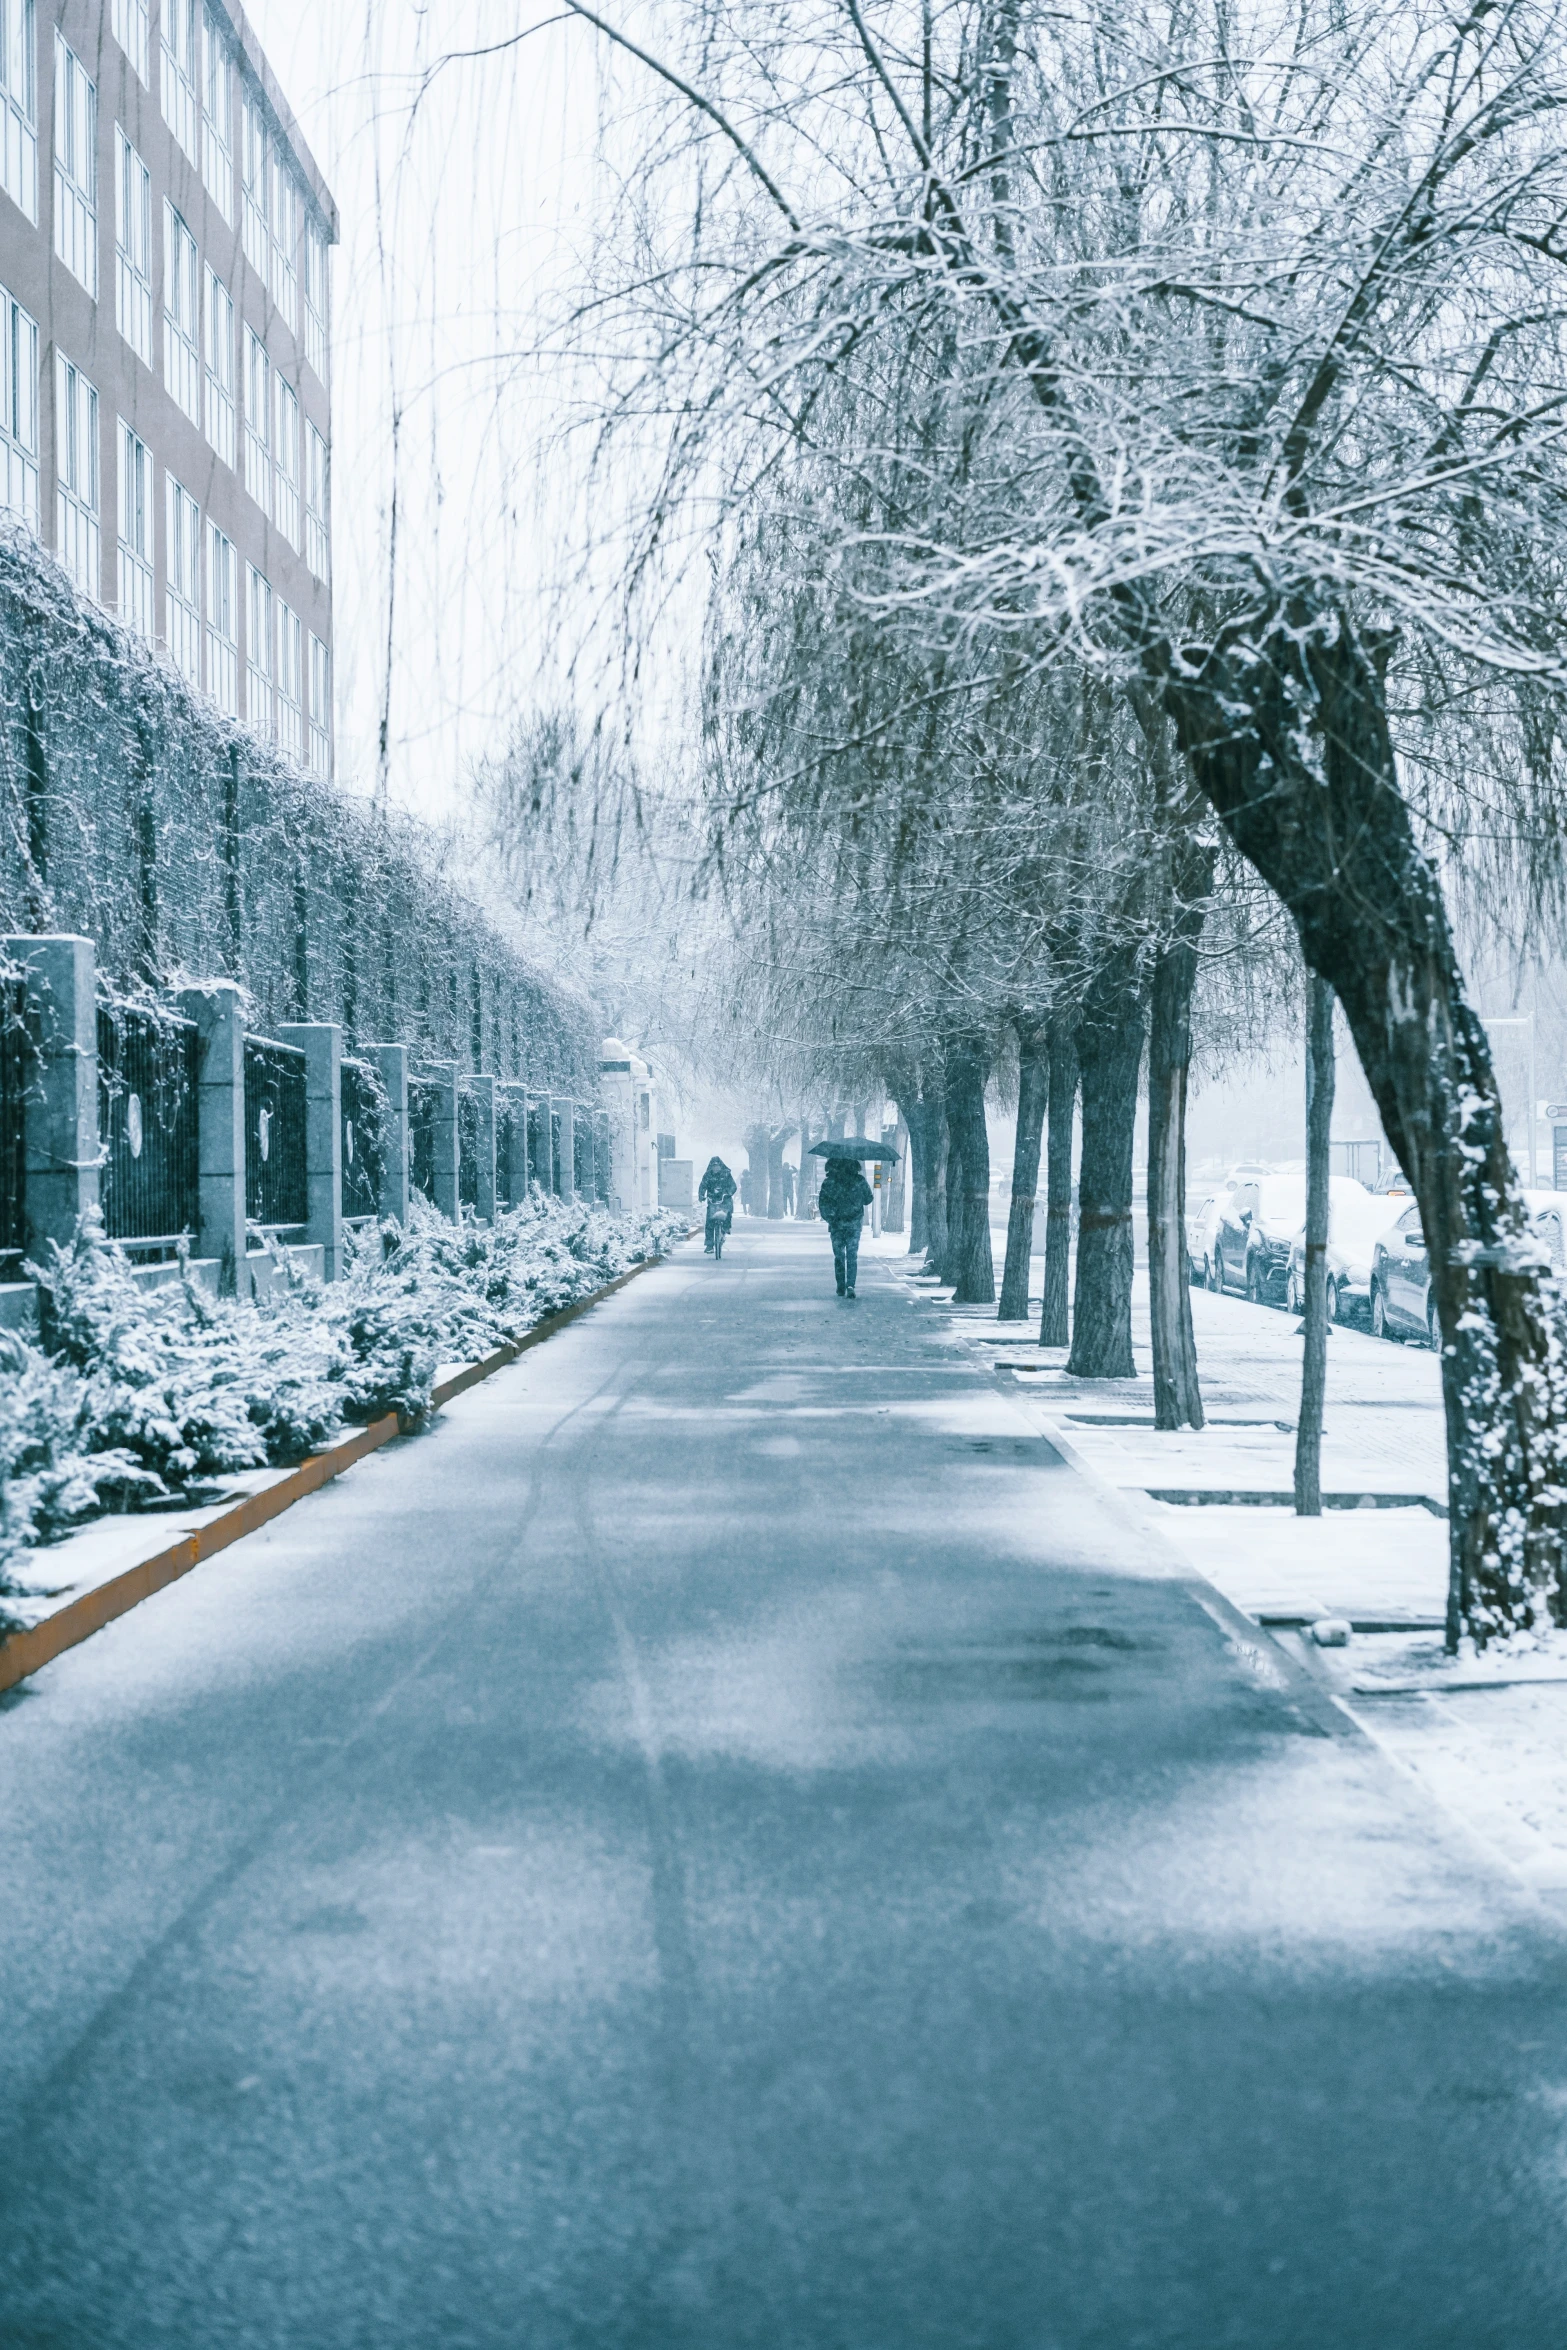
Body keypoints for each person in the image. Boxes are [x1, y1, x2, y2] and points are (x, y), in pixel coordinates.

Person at [817, 1153, 874, 1297]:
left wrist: (830, 1218)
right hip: (854, 1224)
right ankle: (850, 1285)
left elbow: (822, 1204)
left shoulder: (829, 1182)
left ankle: (840, 1285)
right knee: (852, 1255)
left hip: (836, 1225)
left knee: (839, 1256)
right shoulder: (859, 1181)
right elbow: (868, 1199)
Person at [698, 1156, 737, 1253]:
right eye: (713, 1166)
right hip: (712, 1200)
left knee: (728, 1213)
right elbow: (703, 1186)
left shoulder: (726, 1174)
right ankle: (709, 1245)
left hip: (725, 1199)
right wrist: (701, 1195)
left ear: (720, 1166)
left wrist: (728, 1193)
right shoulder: (707, 1175)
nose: (715, 1168)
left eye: (717, 1166)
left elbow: (733, 1186)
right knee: (709, 1222)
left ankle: (725, 1228)